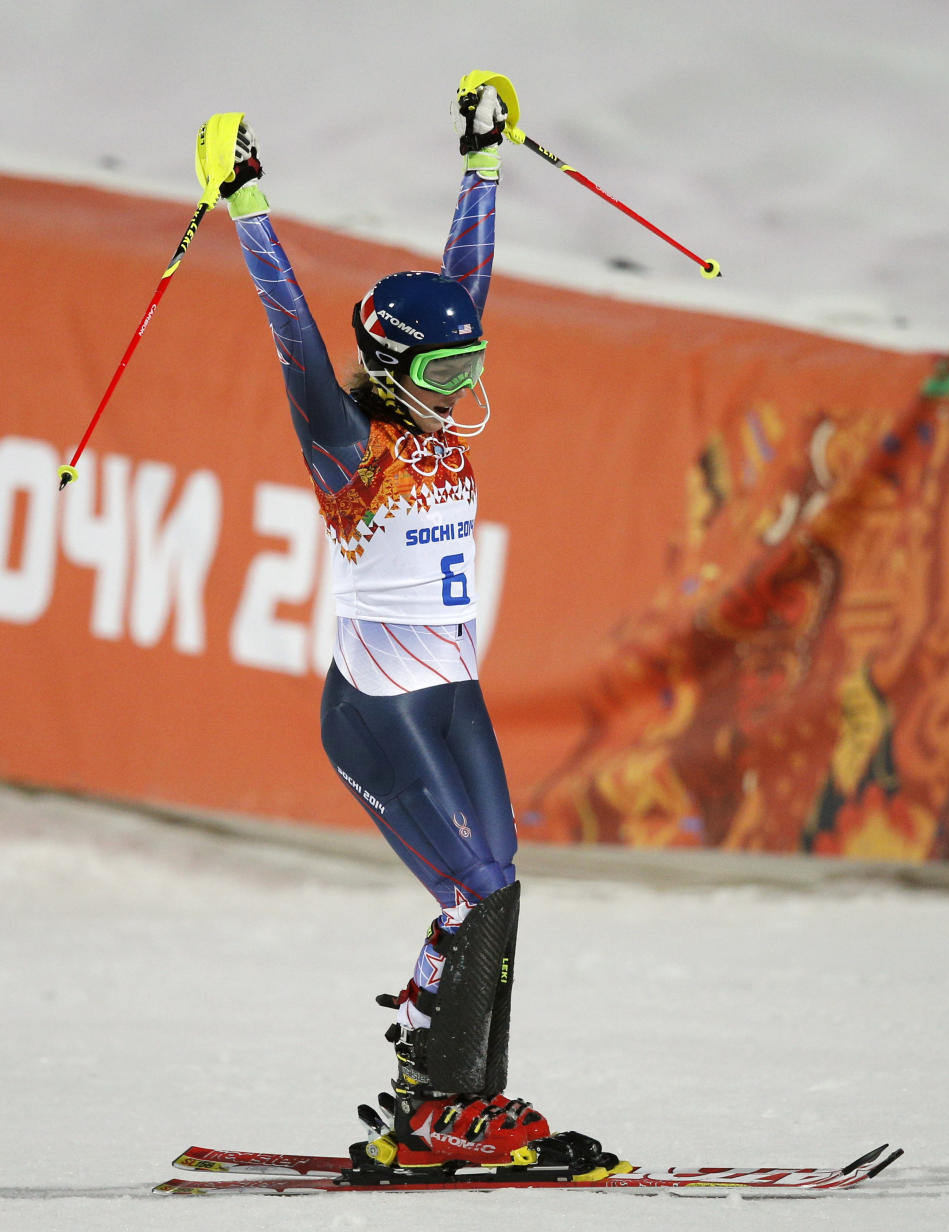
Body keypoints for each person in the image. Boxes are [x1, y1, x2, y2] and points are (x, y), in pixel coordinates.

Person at [205, 86, 612, 1175]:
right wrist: (248, 205)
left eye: (472, 368)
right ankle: (425, 1105)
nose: (466, 390)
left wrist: (483, 163)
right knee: (468, 884)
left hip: (450, 685)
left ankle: (470, 1103)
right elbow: (295, 333)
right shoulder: (350, 444)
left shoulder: (429, 398)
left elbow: (459, 290)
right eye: (445, 375)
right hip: (378, 708)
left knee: (503, 874)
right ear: (390, 372)